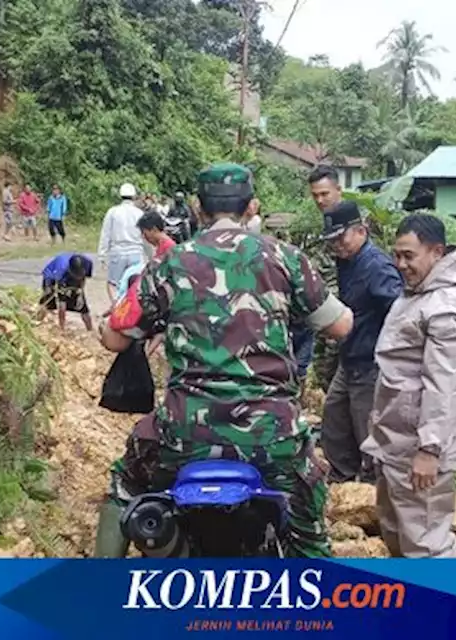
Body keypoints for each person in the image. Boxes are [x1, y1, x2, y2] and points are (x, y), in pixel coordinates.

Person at [93, 162, 354, 559]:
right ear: (252, 207)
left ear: (198, 207)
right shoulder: (285, 258)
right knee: (308, 514)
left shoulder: (168, 262)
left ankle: (97, 593)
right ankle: (314, 597)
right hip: (273, 436)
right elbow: (342, 325)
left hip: (184, 432)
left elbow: (114, 337)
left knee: (123, 483)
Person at [363, 214, 456, 558]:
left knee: (426, 545)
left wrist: (430, 449)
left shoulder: (448, 306)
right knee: (398, 532)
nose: (401, 264)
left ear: (437, 252)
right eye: (397, 255)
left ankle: (455, 610)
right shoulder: (422, 294)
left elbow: (445, 382)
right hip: (399, 441)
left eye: (409, 256)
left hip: (418, 448)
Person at [318, 199, 403, 484]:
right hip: (350, 358)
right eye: (331, 241)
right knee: (334, 416)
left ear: (361, 231)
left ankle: (372, 489)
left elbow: (399, 311)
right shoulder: (347, 261)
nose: (337, 246)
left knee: (367, 428)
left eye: (341, 238)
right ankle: (343, 476)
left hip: (371, 362)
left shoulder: (376, 266)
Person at [97, 183, 147, 300]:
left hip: (117, 252)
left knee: (113, 284)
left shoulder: (113, 212)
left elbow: (106, 234)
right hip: (136, 252)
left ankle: (116, 307)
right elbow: (145, 236)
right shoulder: (139, 213)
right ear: (134, 196)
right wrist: (150, 255)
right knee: (135, 284)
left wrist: (102, 255)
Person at [39, 253, 94, 332]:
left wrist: (80, 293)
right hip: (54, 279)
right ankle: (60, 329)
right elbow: (52, 281)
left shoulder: (88, 263)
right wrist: (49, 289)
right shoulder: (61, 268)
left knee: (83, 307)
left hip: (73, 280)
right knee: (52, 303)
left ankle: (90, 331)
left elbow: (84, 279)